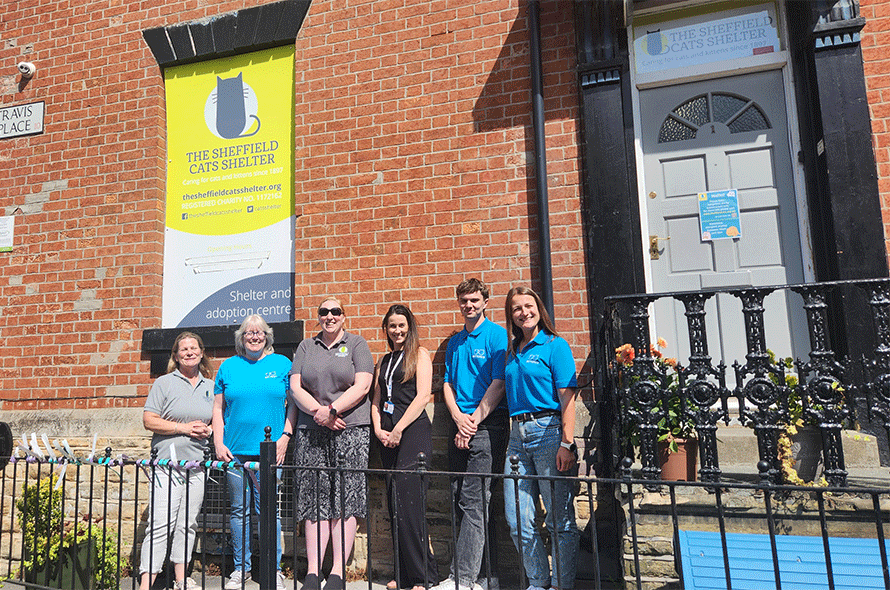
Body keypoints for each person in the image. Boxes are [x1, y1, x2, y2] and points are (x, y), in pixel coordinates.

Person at [290, 297, 374, 590]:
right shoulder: (305, 346)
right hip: (311, 429)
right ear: (319, 317)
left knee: (346, 496)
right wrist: (319, 413)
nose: (329, 316)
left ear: (343, 316)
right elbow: (295, 386)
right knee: (314, 497)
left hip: (350, 430)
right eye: (324, 312)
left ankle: (337, 571)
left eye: (335, 311)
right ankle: (313, 571)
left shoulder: (357, 344)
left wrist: (333, 410)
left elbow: (363, 385)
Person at [502, 286, 580, 590]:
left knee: (560, 521)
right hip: (516, 437)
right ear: (511, 315)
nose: (524, 312)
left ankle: (561, 585)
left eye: (528, 305)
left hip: (548, 433)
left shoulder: (554, 346)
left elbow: (568, 398)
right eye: (517, 308)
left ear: (539, 308)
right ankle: (538, 582)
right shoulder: (512, 350)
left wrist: (566, 442)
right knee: (517, 519)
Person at [432, 279, 508, 590]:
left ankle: (462, 579)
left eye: (475, 300)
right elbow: (447, 384)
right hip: (459, 422)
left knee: (474, 500)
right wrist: (457, 419)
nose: (469, 305)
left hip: (486, 425)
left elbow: (499, 384)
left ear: (486, 301)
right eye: (464, 300)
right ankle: (486, 577)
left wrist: (472, 422)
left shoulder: (497, 336)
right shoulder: (455, 342)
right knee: (460, 499)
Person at [212, 315, 295, 590]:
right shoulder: (228, 367)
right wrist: (218, 442)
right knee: (239, 511)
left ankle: (273, 570)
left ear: (267, 336)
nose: (254, 336)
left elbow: (292, 405)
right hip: (235, 452)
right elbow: (217, 408)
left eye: (259, 332)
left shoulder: (282, 364)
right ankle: (241, 569)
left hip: (271, 453)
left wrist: (286, 436)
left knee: (269, 511)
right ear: (241, 338)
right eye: (249, 332)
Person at [370, 304, 439, 590]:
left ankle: (425, 577)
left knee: (410, 505)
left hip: (412, 433)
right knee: (394, 503)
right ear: (386, 329)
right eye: (392, 326)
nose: (397, 331)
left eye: (401, 325)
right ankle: (404, 574)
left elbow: (423, 396)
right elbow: (376, 400)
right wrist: (378, 429)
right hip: (387, 436)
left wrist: (398, 429)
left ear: (409, 327)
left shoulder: (419, 354)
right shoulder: (384, 361)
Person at [140, 332, 214, 590]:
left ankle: (181, 579)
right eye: (184, 349)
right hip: (166, 466)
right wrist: (182, 428)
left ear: (201, 352)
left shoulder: (211, 386)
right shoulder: (164, 383)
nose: (189, 352)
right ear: (175, 355)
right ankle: (146, 584)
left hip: (197, 467)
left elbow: (216, 421)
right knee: (160, 524)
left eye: (194, 348)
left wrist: (210, 431)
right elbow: (149, 420)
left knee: (188, 523)